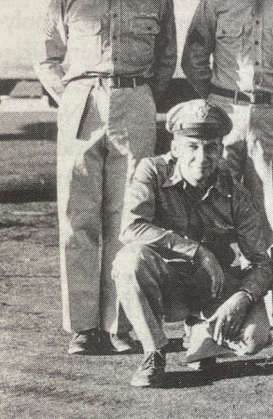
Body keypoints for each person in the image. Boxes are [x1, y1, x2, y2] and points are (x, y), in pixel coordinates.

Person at [36, 0, 176, 354]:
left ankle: (121, 324)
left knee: (128, 215)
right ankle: (82, 326)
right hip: (81, 101)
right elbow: (46, 56)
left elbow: (166, 56)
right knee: (77, 214)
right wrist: (68, 94)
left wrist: (141, 97)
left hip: (134, 97)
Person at [181, 0, 273, 343]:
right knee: (209, 210)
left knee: (269, 216)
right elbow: (194, 58)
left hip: (271, 115)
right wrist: (215, 102)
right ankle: (204, 314)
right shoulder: (215, 4)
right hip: (224, 111)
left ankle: (269, 317)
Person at [112, 100, 273, 388]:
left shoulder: (235, 192)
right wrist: (197, 251)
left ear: (221, 151)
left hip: (211, 286)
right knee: (129, 260)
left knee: (255, 338)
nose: (203, 157)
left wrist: (242, 298)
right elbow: (130, 228)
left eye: (211, 147)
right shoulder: (151, 172)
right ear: (175, 148)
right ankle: (154, 352)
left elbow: (261, 262)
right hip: (166, 284)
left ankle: (202, 333)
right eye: (192, 146)